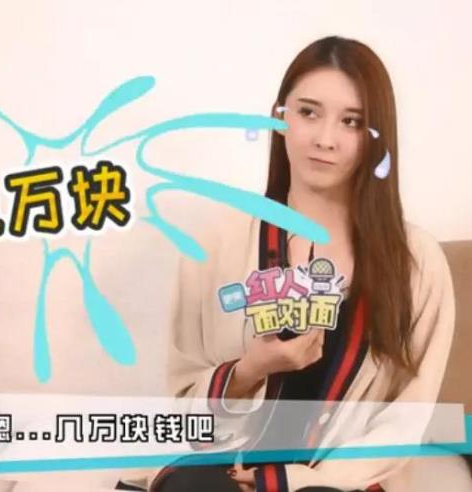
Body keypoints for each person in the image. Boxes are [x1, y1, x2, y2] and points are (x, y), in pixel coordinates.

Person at [140, 35, 455, 492]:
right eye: (308, 113)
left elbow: (405, 420)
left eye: (351, 121)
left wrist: (289, 480)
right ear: (279, 118)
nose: (325, 139)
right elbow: (182, 404)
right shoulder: (214, 243)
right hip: (220, 475)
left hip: (336, 484)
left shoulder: (418, 264)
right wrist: (251, 369)